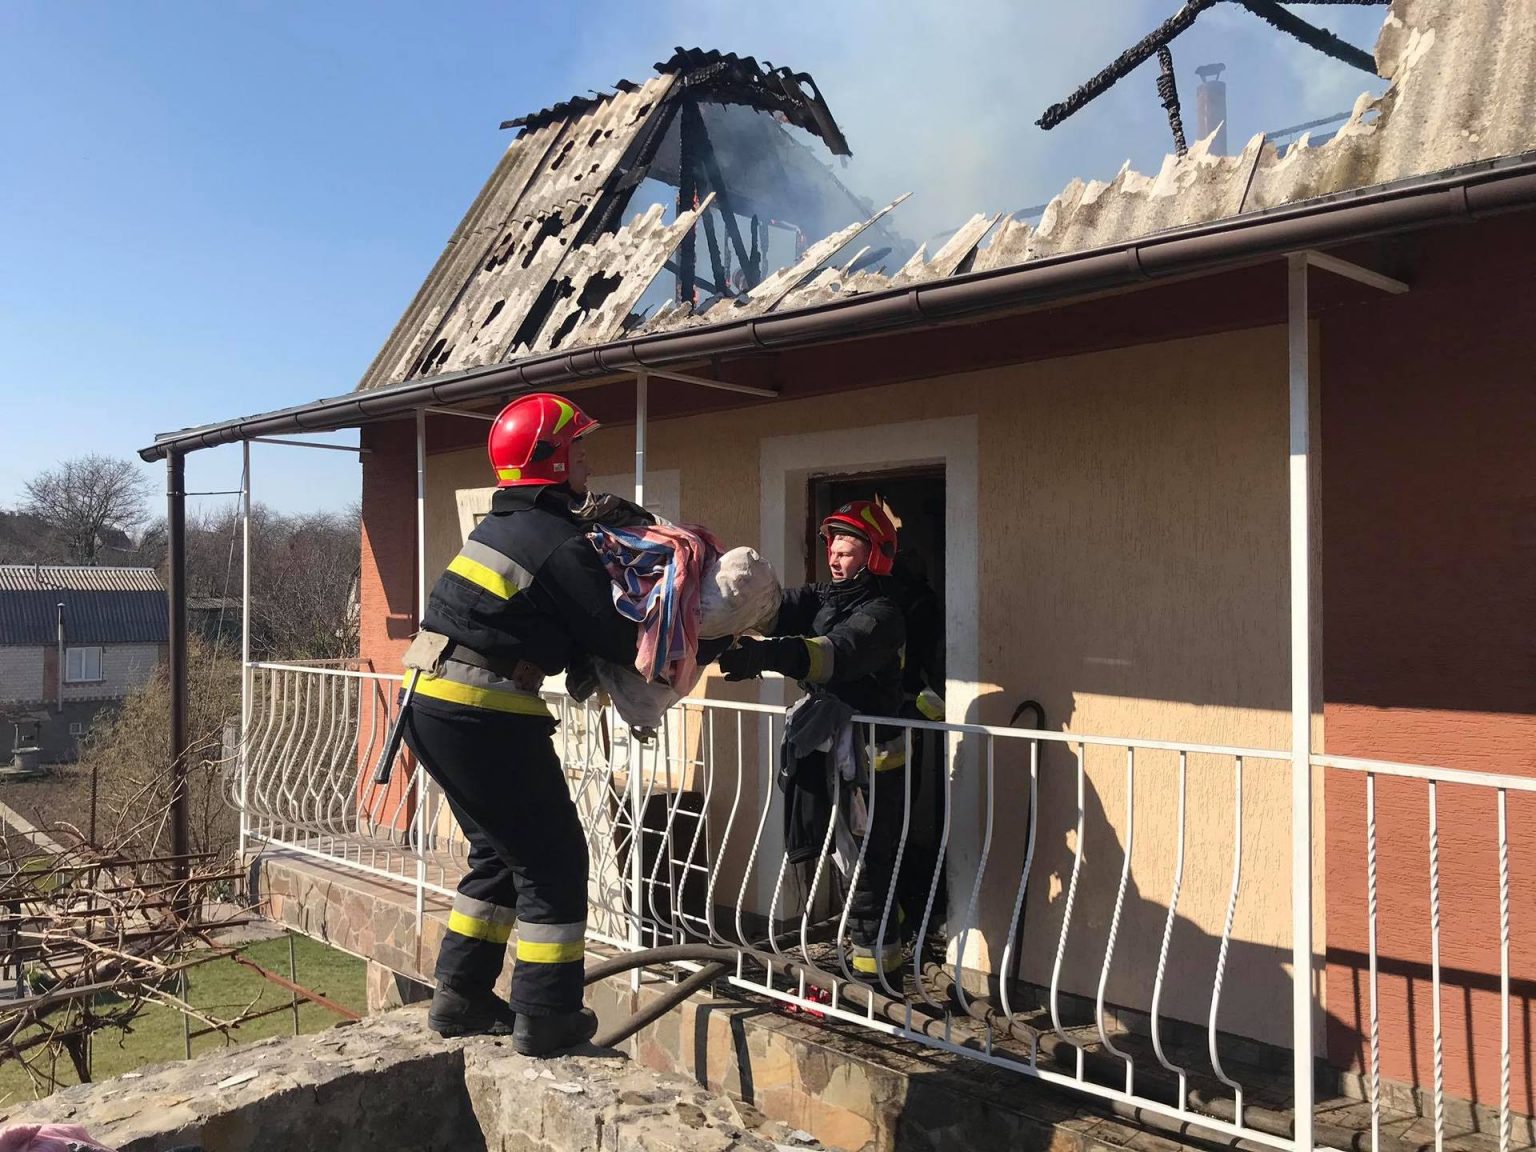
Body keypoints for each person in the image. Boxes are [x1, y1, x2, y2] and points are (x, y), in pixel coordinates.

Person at [399, 391, 641, 1055]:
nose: (588, 462)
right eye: (579, 448)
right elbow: (620, 639)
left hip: (433, 702)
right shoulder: (556, 541)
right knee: (553, 862)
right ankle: (546, 1015)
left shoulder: (505, 527)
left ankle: (461, 996)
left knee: (498, 855)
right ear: (554, 460)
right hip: (483, 715)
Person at [718, 500, 913, 976]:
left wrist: (764, 657)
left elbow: (833, 655)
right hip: (837, 754)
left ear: (874, 556)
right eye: (832, 550)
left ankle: (876, 981)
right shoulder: (829, 596)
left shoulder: (882, 614)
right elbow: (779, 611)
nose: (834, 560)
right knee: (845, 859)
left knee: (866, 866)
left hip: (872, 763)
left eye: (846, 553)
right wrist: (724, 618)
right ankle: (878, 943)